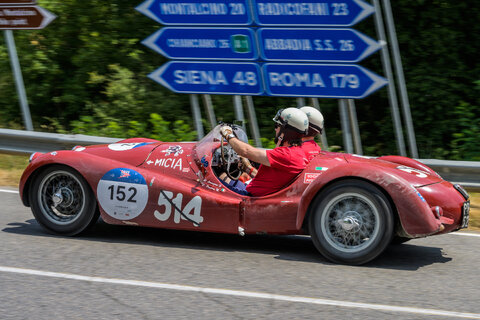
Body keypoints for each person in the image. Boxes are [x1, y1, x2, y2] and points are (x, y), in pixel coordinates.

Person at [220, 107, 309, 197]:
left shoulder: (286, 154)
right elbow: (270, 180)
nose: (275, 129)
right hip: (255, 191)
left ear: (285, 130)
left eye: (277, 126)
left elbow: (245, 151)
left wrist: (228, 134)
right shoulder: (297, 152)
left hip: (250, 197)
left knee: (209, 184)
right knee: (223, 176)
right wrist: (247, 168)